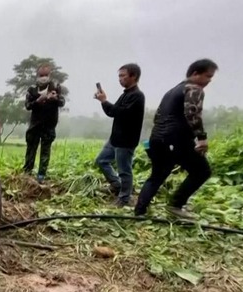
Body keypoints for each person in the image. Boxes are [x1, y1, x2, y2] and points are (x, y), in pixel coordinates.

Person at [134, 59, 218, 219]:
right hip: (177, 139)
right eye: (208, 76)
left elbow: (157, 116)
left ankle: (139, 211)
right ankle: (175, 205)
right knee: (202, 171)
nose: (209, 81)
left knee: (157, 175)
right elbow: (192, 113)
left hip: (157, 138)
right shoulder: (194, 88)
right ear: (195, 74)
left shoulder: (172, 91)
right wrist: (201, 138)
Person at [93, 63, 146, 207]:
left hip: (126, 140)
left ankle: (124, 198)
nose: (120, 79)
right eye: (119, 76)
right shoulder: (126, 94)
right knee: (102, 160)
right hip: (115, 138)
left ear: (133, 76)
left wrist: (104, 100)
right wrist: (103, 101)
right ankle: (117, 185)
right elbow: (112, 112)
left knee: (124, 170)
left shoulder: (137, 96)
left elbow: (121, 113)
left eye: (123, 76)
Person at [22, 65, 66, 183]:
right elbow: (27, 106)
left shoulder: (56, 87)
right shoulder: (32, 89)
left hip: (49, 125)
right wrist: (38, 101)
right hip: (35, 125)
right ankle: (27, 173)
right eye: (41, 75)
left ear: (49, 75)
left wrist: (55, 99)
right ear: (37, 75)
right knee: (31, 149)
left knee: (45, 151)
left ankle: (41, 176)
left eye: (46, 75)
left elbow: (62, 102)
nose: (43, 78)